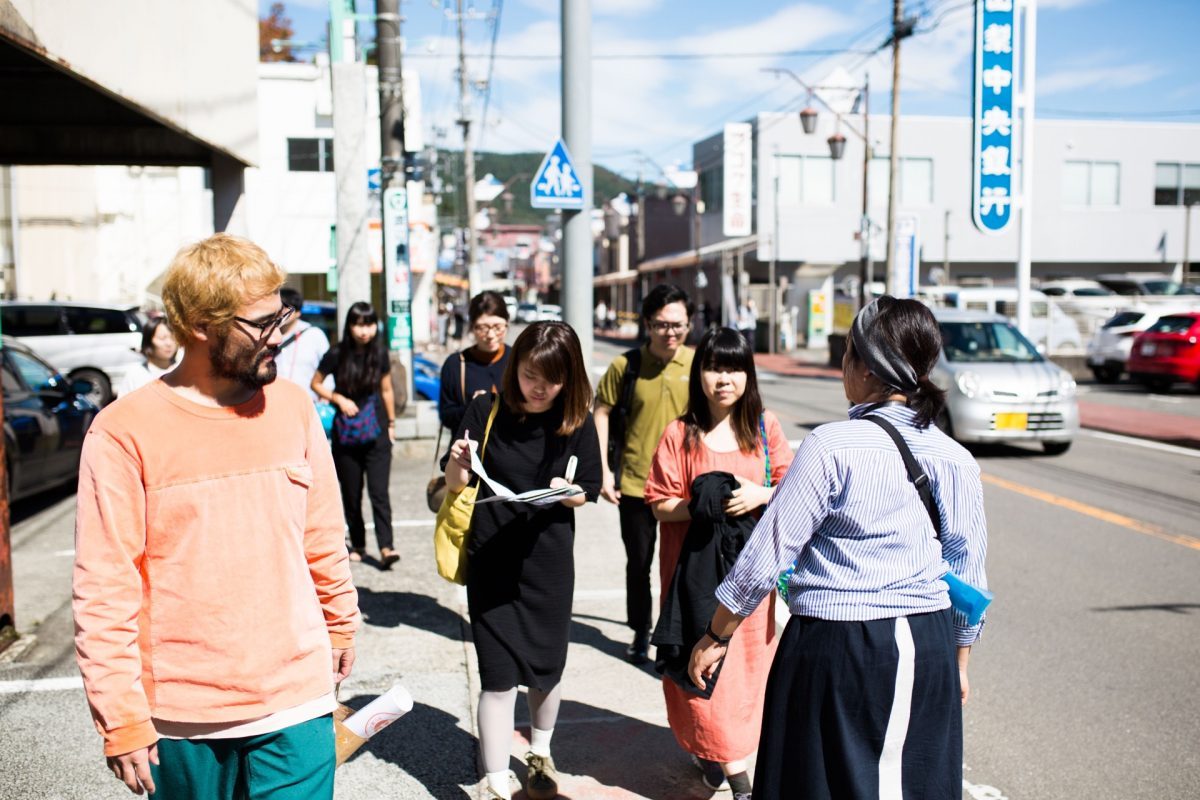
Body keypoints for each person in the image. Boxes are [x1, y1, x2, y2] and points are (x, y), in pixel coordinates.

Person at [72, 233, 358, 799]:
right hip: (181, 715)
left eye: (283, 317)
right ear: (201, 325)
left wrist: (342, 618)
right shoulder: (122, 432)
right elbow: (105, 588)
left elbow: (322, 533)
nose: (281, 336)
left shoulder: (296, 408)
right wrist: (121, 716)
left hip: (297, 699)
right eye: (262, 325)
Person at [689, 296, 988, 799]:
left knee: (820, 782)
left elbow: (767, 554)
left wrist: (717, 634)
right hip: (929, 642)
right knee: (913, 784)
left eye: (848, 353)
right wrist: (958, 661)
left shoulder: (831, 445)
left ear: (866, 368)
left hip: (837, 645)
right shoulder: (953, 456)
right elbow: (969, 574)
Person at [442, 322, 601, 800]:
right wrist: (458, 461)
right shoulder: (484, 409)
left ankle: (540, 752)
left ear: (568, 380)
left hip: (547, 565)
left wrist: (565, 493)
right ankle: (493, 779)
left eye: (550, 380)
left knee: (546, 671)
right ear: (516, 369)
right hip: (491, 560)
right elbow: (454, 484)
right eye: (530, 375)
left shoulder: (575, 421)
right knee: (496, 679)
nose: (538, 388)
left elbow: (587, 488)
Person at [643, 327, 793, 799]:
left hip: (750, 582)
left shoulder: (764, 430)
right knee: (701, 671)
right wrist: (703, 503)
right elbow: (658, 503)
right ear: (699, 374)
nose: (723, 378)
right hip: (691, 580)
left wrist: (758, 493)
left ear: (748, 374)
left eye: (733, 368)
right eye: (713, 367)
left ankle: (722, 754)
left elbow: (794, 487)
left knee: (745, 674)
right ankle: (734, 770)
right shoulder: (679, 433)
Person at [594, 284, 695, 664]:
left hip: (685, 488)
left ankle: (674, 635)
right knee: (639, 563)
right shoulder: (627, 366)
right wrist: (604, 470)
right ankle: (640, 629)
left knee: (682, 564)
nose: (671, 333)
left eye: (679, 326)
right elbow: (600, 411)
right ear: (648, 324)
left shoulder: (698, 364)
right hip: (635, 484)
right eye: (662, 325)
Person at [311, 303, 398, 567]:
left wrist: (392, 423)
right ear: (349, 326)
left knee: (379, 492)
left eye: (369, 324)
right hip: (346, 433)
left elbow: (386, 390)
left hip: (377, 430)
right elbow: (315, 382)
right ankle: (358, 543)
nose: (364, 331)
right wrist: (338, 398)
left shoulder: (380, 353)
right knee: (351, 492)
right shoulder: (336, 353)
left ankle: (386, 546)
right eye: (359, 324)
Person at [438, 290, 511, 437]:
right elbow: (446, 417)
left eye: (497, 327)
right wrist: (473, 406)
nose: (490, 335)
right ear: (472, 326)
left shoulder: (519, 360)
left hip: (513, 452)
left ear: (507, 323)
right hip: (468, 454)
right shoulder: (456, 364)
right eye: (483, 327)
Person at [275, 286, 330, 400]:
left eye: (286, 308)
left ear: (298, 312)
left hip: (309, 404)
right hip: (275, 404)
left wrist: (325, 398)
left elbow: (327, 371)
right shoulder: (267, 335)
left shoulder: (314, 335)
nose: (281, 313)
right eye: (279, 307)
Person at [114, 315, 179, 397]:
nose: (169, 343)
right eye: (162, 338)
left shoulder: (183, 371)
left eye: (173, 338)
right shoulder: (135, 375)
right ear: (148, 341)